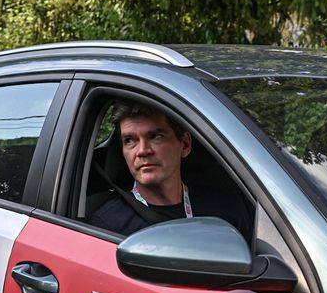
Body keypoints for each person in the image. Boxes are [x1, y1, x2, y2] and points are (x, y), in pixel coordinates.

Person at [87, 100, 253, 238]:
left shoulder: (225, 207)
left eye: (155, 137)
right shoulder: (107, 226)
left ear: (185, 144)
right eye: (130, 140)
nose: (143, 150)